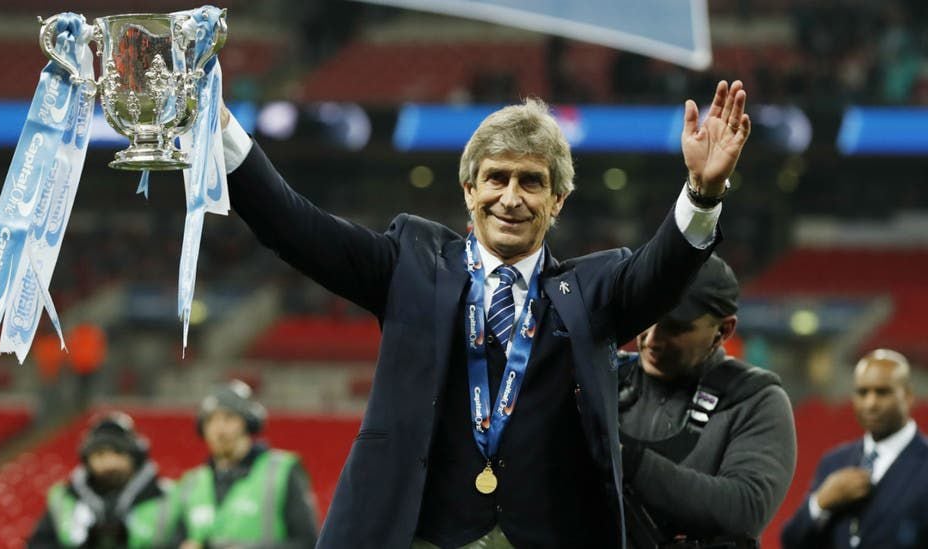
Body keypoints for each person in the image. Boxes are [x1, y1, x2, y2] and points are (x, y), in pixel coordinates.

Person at [218, 79, 751, 547]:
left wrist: (702, 195)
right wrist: (221, 131)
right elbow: (296, 227)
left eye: (532, 181)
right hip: (421, 536)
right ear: (469, 189)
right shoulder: (411, 264)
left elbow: (662, 271)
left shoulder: (593, 289)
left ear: (558, 199)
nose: (511, 198)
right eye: (497, 178)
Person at [617, 254, 796, 548]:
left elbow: (744, 510)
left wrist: (627, 461)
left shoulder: (755, 399)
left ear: (723, 331)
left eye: (675, 327)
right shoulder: (605, 379)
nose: (652, 339)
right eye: (648, 317)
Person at [781, 349, 928, 549]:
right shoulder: (835, 462)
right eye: (862, 392)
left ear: (908, 395)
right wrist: (820, 503)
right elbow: (792, 541)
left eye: (882, 392)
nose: (871, 403)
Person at [173, 380, 318, 549]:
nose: (219, 429)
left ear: (248, 422)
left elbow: (309, 543)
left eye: (229, 418)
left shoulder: (281, 471)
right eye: (210, 420)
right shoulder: (191, 483)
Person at [28, 411, 177, 548]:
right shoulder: (63, 499)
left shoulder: (169, 497)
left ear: (134, 457)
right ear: (87, 460)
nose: (109, 462)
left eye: (118, 452)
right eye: (99, 454)